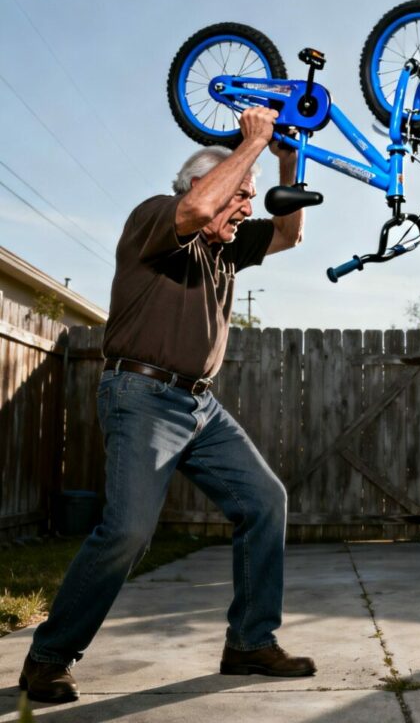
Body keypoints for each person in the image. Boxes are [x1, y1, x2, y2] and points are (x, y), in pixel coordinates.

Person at [19, 106, 316, 705]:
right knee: (127, 531)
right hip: (141, 396)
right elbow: (202, 208)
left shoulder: (227, 251)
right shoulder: (156, 218)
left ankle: (250, 642)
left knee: (265, 502)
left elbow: (290, 234)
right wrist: (254, 141)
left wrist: (287, 158)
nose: (247, 208)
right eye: (242, 195)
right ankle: (48, 659)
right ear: (205, 183)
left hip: (200, 408)